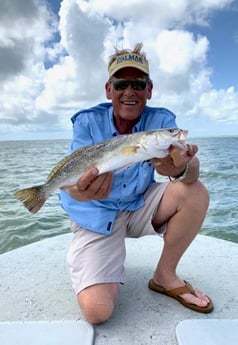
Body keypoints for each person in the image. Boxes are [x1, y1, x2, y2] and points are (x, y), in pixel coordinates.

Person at [60, 43, 213, 325]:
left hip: (139, 204)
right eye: (121, 83)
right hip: (97, 212)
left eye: (138, 83)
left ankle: (164, 275)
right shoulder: (86, 121)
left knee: (196, 192)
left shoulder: (161, 121)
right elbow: (71, 187)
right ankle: (91, 264)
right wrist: (82, 192)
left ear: (149, 89)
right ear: (109, 90)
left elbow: (190, 168)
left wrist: (183, 168)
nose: (129, 91)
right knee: (97, 311)